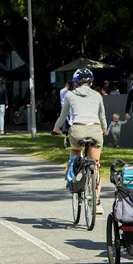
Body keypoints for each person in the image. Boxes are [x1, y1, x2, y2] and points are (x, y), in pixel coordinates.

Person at [53, 68, 107, 214]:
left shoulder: (69, 95)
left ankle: (71, 176)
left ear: (75, 82)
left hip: (77, 130)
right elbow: (102, 117)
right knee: (95, 164)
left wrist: (56, 129)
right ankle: (97, 200)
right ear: (91, 81)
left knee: (75, 150)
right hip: (95, 130)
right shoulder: (97, 95)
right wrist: (104, 129)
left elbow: (63, 117)